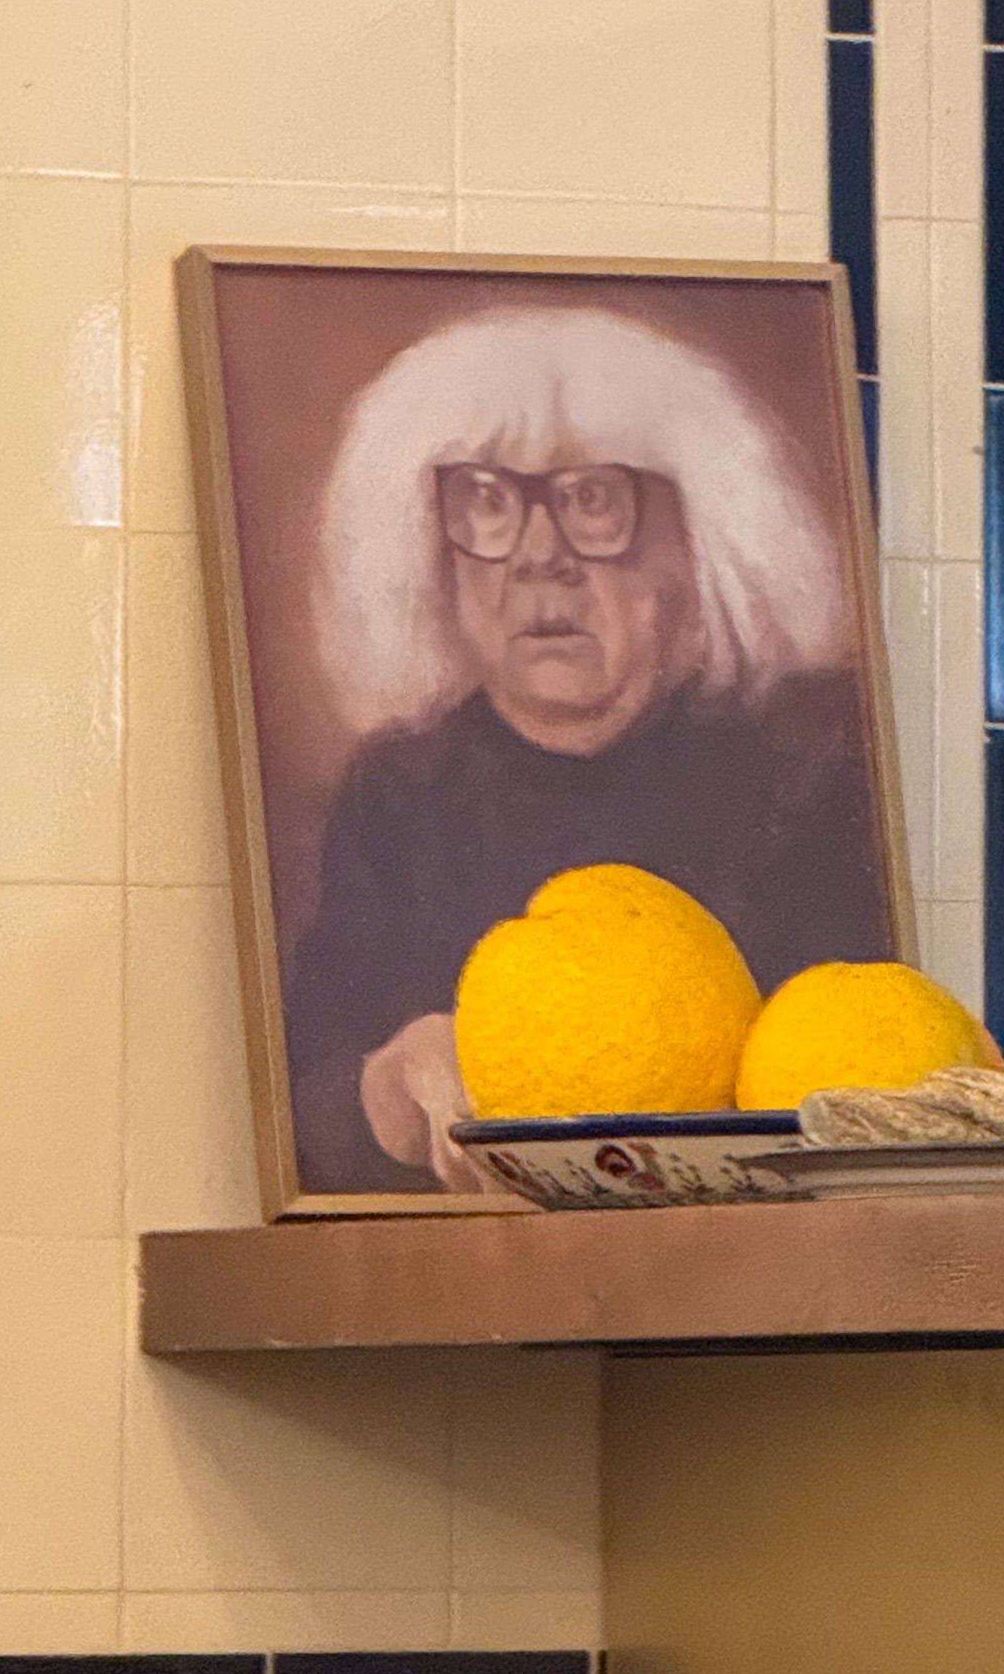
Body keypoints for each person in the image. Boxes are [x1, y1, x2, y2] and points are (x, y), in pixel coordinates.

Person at [284, 306, 894, 1194]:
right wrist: (386, 1084)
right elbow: (299, 1113)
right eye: (486, 503)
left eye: (592, 501)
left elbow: (867, 1089)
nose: (540, 558)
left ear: (695, 542)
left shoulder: (802, 771)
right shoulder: (399, 793)